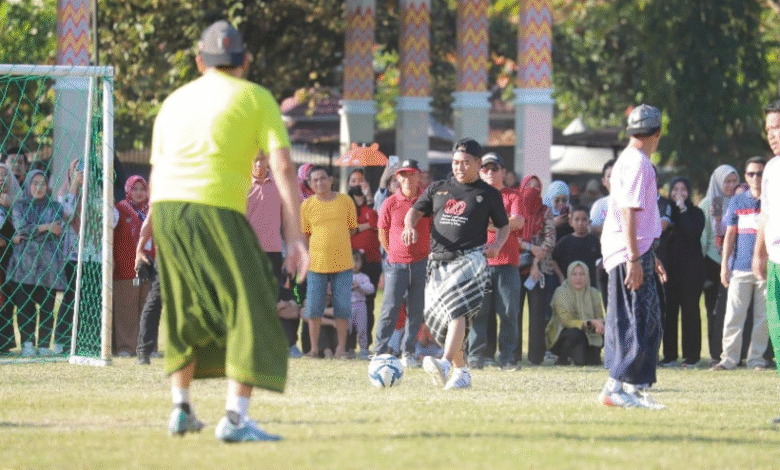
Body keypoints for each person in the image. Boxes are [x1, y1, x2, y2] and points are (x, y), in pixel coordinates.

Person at [148, 20, 308, 442]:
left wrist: (151, 223)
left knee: (185, 307)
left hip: (166, 208)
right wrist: (295, 236)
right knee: (252, 306)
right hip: (216, 206)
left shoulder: (173, 101)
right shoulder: (257, 97)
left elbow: (158, 168)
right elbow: (284, 167)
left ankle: (181, 409)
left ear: (200, 61)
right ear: (245, 62)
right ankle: (235, 420)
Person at [403, 138, 510, 390]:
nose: (459, 167)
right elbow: (415, 210)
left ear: (478, 164)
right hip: (437, 261)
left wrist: (497, 245)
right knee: (438, 320)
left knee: (456, 310)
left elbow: (504, 225)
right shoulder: (438, 188)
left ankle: (444, 362)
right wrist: (409, 225)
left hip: (470, 259)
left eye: (465, 163)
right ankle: (461, 371)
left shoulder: (488, 194)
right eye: (455, 162)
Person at [598, 104, 667, 409]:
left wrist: (648, 254)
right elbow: (628, 211)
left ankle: (633, 387)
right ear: (658, 133)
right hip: (629, 252)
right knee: (634, 322)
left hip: (634, 249)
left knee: (644, 320)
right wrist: (635, 258)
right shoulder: (639, 163)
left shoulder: (627, 159)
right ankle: (616, 387)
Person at [467, 153, 523, 369]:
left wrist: (489, 223)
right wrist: (502, 224)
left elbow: (517, 222)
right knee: (478, 312)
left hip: (507, 262)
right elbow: (472, 222)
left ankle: (507, 358)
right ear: (480, 172)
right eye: (485, 168)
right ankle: (475, 356)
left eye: (494, 168)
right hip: (479, 262)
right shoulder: (475, 195)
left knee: (509, 312)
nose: (490, 172)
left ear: (503, 173)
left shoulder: (513, 196)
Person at [714, 157, 769, 371]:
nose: (756, 178)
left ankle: (756, 360)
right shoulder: (737, 202)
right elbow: (729, 235)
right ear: (745, 176)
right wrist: (724, 266)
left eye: (760, 173)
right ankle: (728, 360)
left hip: (766, 268)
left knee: (762, 318)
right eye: (751, 174)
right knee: (734, 316)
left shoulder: (774, 200)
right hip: (740, 267)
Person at [374, 159, 430, 368]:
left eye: (411, 174)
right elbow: (383, 234)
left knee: (416, 310)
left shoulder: (427, 202)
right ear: (397, 177)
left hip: (421, 263)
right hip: (396, 265)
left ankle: (409, 352)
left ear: (419, 176)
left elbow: (434, 230)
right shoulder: (390, 202)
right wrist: (394, 253)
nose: (407, 178)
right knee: (390, 309)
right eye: (403, 174)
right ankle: (379, 352)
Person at [246, 152, 301, 358]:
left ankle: (288, 345)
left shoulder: (278, 184)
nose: (260, 163)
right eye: (256, 159)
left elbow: (289, 217)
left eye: (263, 159)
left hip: (276, 252)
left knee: (282, 298)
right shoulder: (243, 185)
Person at [8, 169, 66, 356]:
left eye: (42, 183)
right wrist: (45, 228)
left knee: (48, 306)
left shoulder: (55, 206)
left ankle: (43, 344)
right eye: (35, 183)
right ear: (28, 185)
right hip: (23, 265)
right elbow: (21, 228)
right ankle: (26, 343)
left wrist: (33, 232)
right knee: (25, 306)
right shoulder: (19, 206)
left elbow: (56, 229)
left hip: (48, 266)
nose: (39, 187)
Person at [301, 165, 356, 359]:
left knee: (342, 307)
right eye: (314, 180)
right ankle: (314, 349)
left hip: (343, 264)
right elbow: (306, 234)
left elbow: (351, 229)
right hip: (316, 264)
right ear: (309, 184)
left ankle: (341, 348)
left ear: (331, 179)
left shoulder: (345, 201)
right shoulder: (306, 206)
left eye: (322, 178)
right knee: (314, 307)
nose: (319, 183)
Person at [753, 100, 780, 424]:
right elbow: (767, 213)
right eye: (769, 129)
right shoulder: (772, 168)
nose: (772, 135)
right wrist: (758, 253)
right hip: (775, 261)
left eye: (778, 127)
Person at [659, 176, 705, 368]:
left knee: (690, 313)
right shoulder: (666, 213)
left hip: (692, 271)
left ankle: (692, 356)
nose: (679, 193)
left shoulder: (696, 213)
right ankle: (669, 355)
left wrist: (683, 209)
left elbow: (692, 232)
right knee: (669, 314)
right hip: (670, 270)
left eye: (683, 189)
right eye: (675, 189)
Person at [700, 164, 739, 363]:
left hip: (735, 261)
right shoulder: (709, 204)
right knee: (713, 309)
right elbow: (703, 235)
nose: (731, 185)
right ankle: (716, 353)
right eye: (727, 181)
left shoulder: (740, 201)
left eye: (734, 181)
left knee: (733, 309)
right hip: (711, 262)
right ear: (717, 181)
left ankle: (733, 352)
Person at [516, 175, 555, 365]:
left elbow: (550, 239)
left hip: (540, 270)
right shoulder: (516, 209)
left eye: (536, 187)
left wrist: (535, 262)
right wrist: (530, 247)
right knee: (513, 313)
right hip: (514, 267)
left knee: (538, 314)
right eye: (529, 186)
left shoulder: (545, 211)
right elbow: (510, 237)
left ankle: (536, 356)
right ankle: (513, 354)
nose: (533, 190)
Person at [113, 175, 151, 357]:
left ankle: (147, 347)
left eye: (142, 189)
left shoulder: (152, 210)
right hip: (126, 267)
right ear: (128, 190)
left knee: (148, 307)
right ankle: (125, 347)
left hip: (149, 267)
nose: (138, 193)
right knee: (126, 309)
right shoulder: (120, 209)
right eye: (134, 189)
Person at [546, 261, 604, 366]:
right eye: (574, 274)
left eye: (582, 274)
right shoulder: (561, 292)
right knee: (575, 334)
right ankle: (562, 358)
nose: (578, 278)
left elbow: (599, 316)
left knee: (594, 361)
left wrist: (600, 324)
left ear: (587, 276)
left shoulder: (594, 293)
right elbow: (566, 321)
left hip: (588, 333)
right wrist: (590, 323)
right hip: (565, 334)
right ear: (568, 276)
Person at [348, 184, 381, 353]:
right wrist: (364, 226)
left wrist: (369, 200)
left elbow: (377, 224)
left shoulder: (370, 205)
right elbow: (349, 230)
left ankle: (364, 345)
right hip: (350, 260)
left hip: (371, 260)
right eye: (354, 179)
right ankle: (348, 344)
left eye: (361, 180)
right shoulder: (346, 205)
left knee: (368, 304)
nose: (357, 184)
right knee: (347, 303)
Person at [552, 206, 601, 287]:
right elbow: (553, 259)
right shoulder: (565, 241)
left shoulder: (594, 241)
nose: (580, 223)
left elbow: (602, 256)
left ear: (589, 221)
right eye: (577, 220)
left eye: (584, 219)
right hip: (570, 285)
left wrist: (598, 271)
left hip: (590, 285)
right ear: (571, 222)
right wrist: (561, 276)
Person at [0, 163, 21, 353]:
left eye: (5, 175)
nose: (1, 178)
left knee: (8, 298)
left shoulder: (17, 203)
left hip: (11, 258)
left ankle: (6, 341)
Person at [349, 250, 375, 359]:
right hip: (348, 306)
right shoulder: (344, 276)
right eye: (352, 261)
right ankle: (349, 348)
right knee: (347, 329)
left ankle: (364, 350)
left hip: (360, 305)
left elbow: (371, 289)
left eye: (357, 261)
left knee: (362, 329)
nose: (355, 264)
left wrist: (359, 287)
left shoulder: (364, 277)